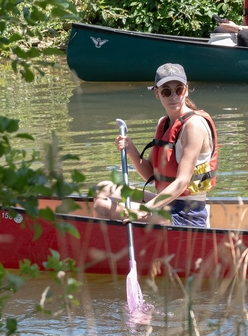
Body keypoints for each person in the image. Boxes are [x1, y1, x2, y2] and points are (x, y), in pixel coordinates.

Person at [93, 63, 218, 227]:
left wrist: (145, 209)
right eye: (166, 91)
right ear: (157, 93)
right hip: (166, 204)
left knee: (101, 206)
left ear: (186, 90)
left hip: (187, 215)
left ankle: (111, 244)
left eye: (178, 90)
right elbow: (151, 176)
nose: (173, 96)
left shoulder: (193, 126)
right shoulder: (164, 123)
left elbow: (182, 182)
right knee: (103, 189)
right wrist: (131, 150)